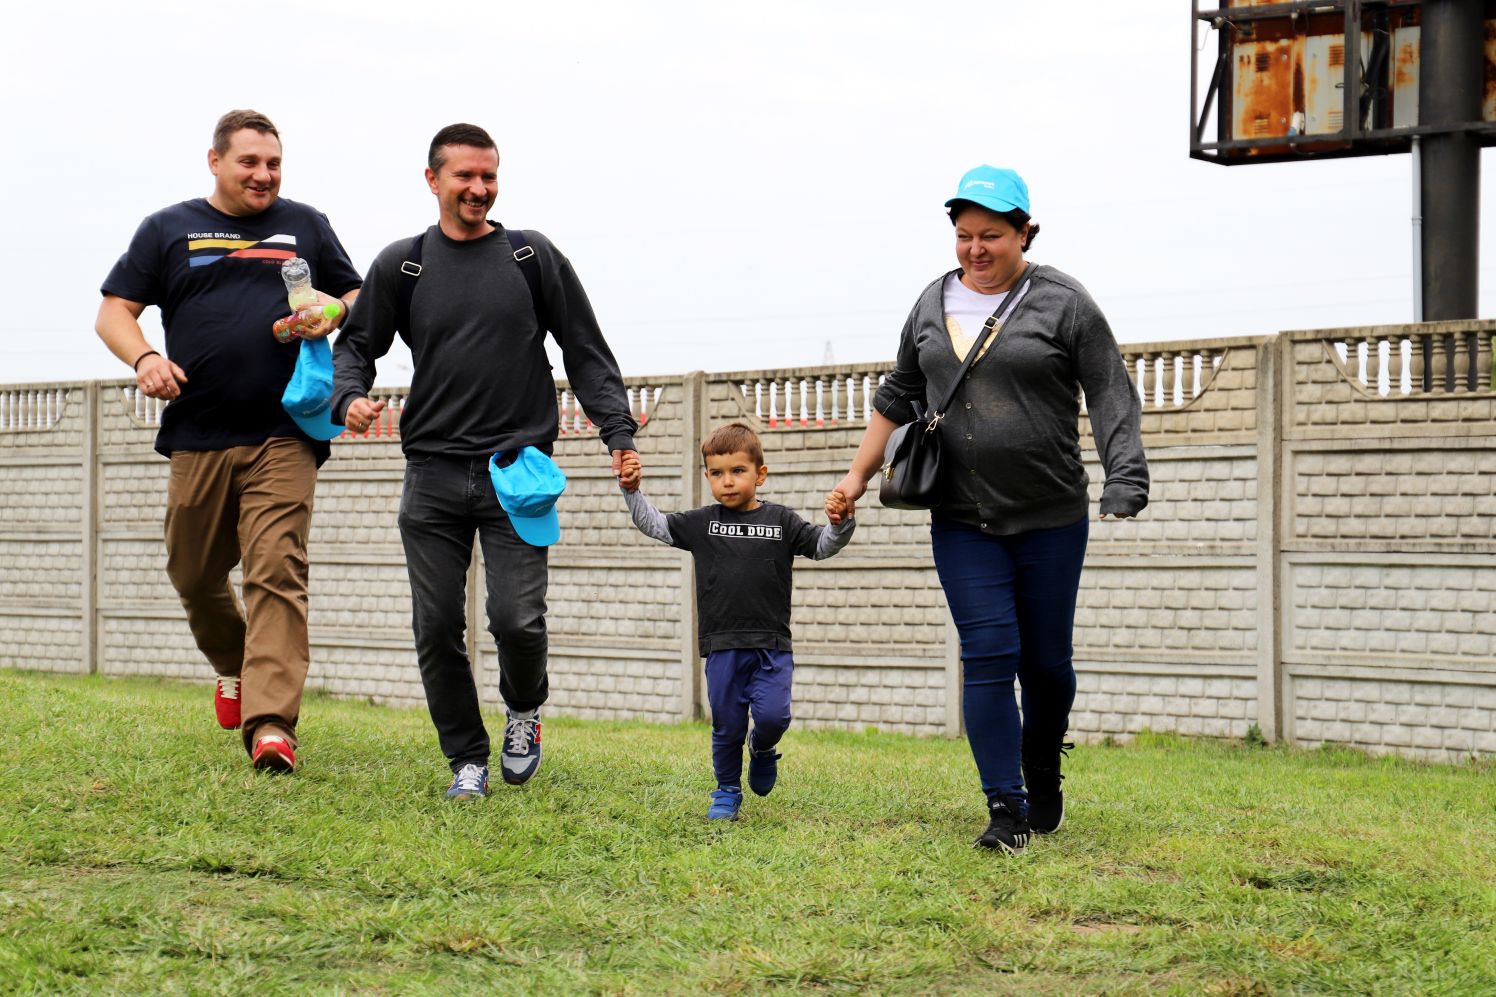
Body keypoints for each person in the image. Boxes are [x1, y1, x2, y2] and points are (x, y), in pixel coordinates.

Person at [830, 166, 1148, 854]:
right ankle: (1005, 807)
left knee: (1046, 665)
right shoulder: (930, 301)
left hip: (1051, 513)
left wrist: (1125, 475)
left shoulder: (1064, 302)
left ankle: (1041, 771)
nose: (976, 249)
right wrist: (857, 475)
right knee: (988, 652)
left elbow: (1110, 389)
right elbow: (899, 392)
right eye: (965, 235)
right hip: (962, 515)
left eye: (992, 236)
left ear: (1025, 232)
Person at [330, 123, 639, 801]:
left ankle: (523, 711)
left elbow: (585, 349)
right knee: (436, 625)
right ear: (433, 179)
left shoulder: (531, 256)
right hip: (433, 473)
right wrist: (348, 394)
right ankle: (466, 757)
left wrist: (617, 431)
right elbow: (355, 345)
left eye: (488, 176)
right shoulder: (402, 265)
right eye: (465, 176)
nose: (478, 188)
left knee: (516, 619)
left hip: (518, 472)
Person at [95, 109, 362, 773]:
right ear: (215, 162)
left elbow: (359, 296)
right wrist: (144, 359)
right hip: (199, 431)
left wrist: (334, 309)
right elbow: (113, 311)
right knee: (193, 572)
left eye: (273, 163)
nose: (264, 175)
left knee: (276, 568)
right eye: (250, 162)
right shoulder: (168, 229)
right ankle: (233, 665)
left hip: (285, 430)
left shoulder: (306, 225)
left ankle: (271, 725)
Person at [618, 423, 855, 820]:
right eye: (716, 473)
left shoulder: (782, 520)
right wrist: (632, 492)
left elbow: (822, 546)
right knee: (726, 726)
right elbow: (654, 525)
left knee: (774, 716)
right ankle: (726, 790)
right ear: (708, 476)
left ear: (759, 474)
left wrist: (840, 523)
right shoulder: (702, 522)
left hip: (772, 646)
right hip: (722, 645)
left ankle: (762, 748)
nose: (726, 482)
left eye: (737, 471)